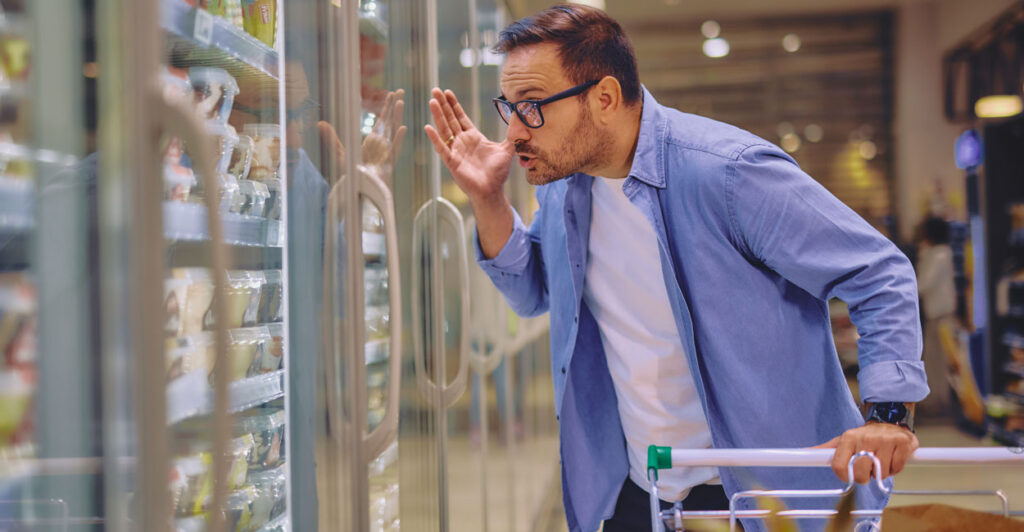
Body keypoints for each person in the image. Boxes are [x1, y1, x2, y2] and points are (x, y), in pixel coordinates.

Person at [424, 5, 928, 532]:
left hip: (758, 497)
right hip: (639, 492)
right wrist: (487, 198)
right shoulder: (565, 191)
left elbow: (879, 271)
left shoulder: (729, 174)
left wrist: (889, 415)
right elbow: (533, 292)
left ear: (604, 98)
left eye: (532, 107)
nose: (513, 135)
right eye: (510, 107)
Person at [915, 216, 957, 419]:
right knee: (933, 358)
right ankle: (935, 400)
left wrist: (923, 256)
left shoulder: (939, 254)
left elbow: (923, 283)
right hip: (936, 314)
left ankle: (939, 402)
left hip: (941, 315)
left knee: (938, 360)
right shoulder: (938, 253)